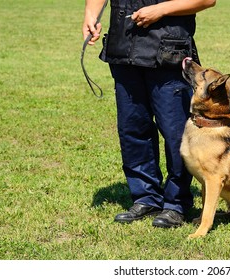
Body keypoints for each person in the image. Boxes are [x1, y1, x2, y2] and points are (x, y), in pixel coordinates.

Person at [82, 0, 216, 228]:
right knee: (132, 129)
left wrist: (160, 10)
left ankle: (176, 204)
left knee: (176, 135)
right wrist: (90, 14)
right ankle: (146, 197)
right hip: (124, 49)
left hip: (168, 53)